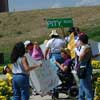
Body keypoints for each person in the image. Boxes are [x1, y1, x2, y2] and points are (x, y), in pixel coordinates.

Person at [77, 34, 93, 100]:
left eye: (79, 40)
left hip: (85, 68)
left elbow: (80, 58)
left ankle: (89, 98)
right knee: (81, 86)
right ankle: (81, 98)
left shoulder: (86, 47)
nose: (78, 42)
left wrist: (76, 50)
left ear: (81, 41)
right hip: (83, 68)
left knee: (86, 86)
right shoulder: (85, 47)